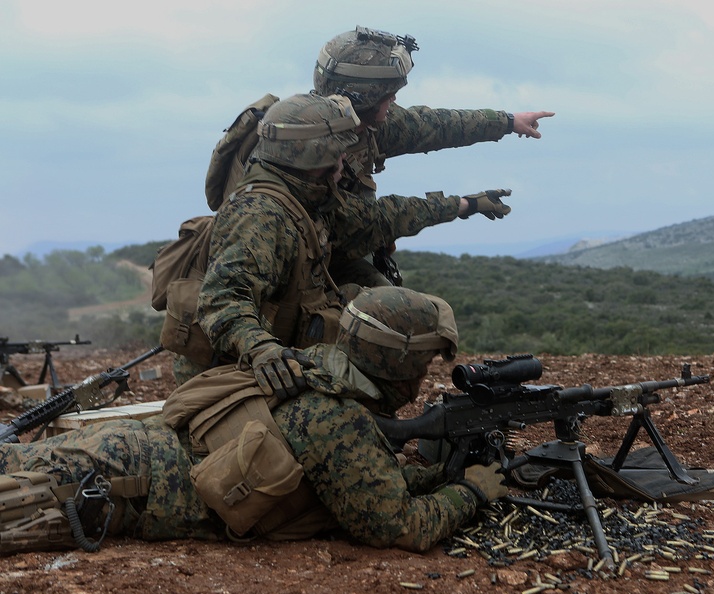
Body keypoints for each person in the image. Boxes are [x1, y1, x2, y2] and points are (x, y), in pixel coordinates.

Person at [0, 287, 508, 556]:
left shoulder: (315, 370)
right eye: (423, 362)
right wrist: (471, 493)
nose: (424, 375)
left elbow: (365, 479)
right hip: (122, 481)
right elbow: (398, 526)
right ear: (398, 362)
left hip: (137, 451)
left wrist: (443, 473)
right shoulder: (340, 419)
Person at [180, 92, 511, 392]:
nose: (344, 163)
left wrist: (464, 205)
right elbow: (221, 301)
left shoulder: (309, 196)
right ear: (315, 157)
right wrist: (261, 349)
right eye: (339, 154)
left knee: (385, 310)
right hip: (235, 368)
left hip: (280, 351)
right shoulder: (260, 215)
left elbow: (381, 217)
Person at [205, 25, 552, 287]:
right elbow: (371, 219)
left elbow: (435, 125)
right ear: (364, 98)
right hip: (286, 266)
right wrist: (464, 205)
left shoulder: (366, 122)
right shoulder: (305, 149)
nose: (394, 103)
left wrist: (507, 122)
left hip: (333, 245)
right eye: (388, 96)